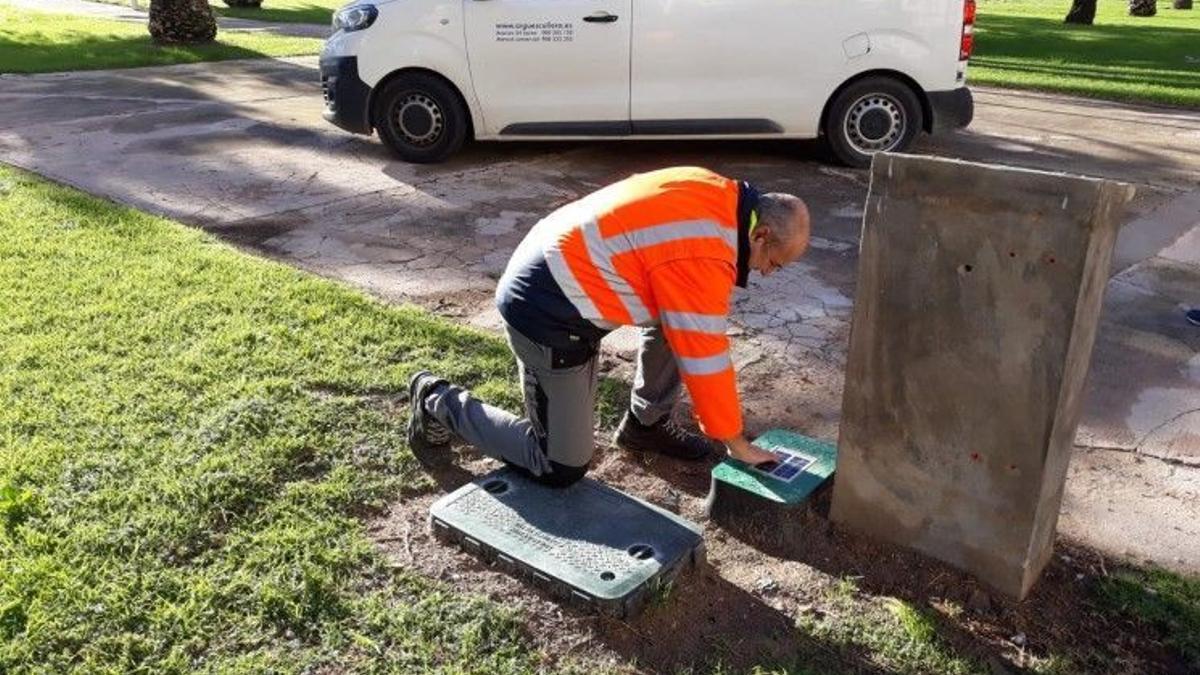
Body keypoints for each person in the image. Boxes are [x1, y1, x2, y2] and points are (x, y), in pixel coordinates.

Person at [407, 166, 811, 487]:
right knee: (559, 464)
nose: (768, 273)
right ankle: (437, 402)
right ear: (760, 234)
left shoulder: (717, 192)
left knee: (681, 322)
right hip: (546, 308)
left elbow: (689, 326)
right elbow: (706, 357)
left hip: (557, 260)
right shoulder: (705, 253)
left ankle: (646, 425)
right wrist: (736, 443)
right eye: (774, 263)